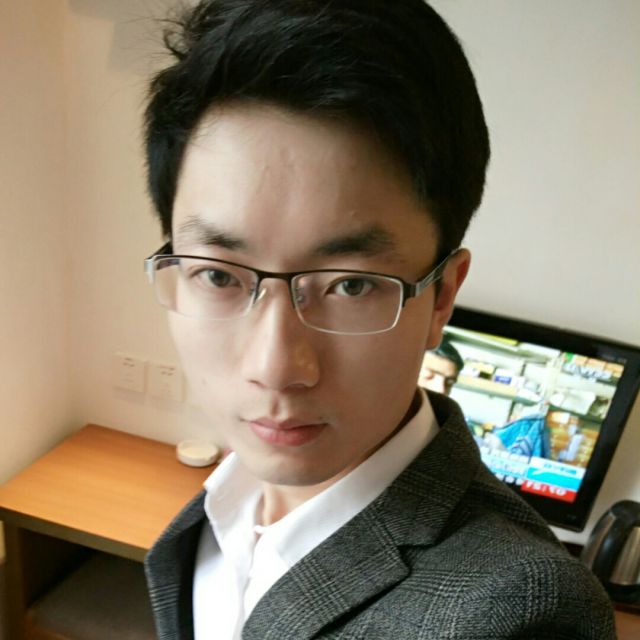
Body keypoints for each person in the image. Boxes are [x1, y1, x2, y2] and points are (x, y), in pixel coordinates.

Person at [141, 1, 615, 638]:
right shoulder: (222, 506)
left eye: (351, 285)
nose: (275, 368)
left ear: (442, 296)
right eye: (220, 276)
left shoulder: (521, 610)